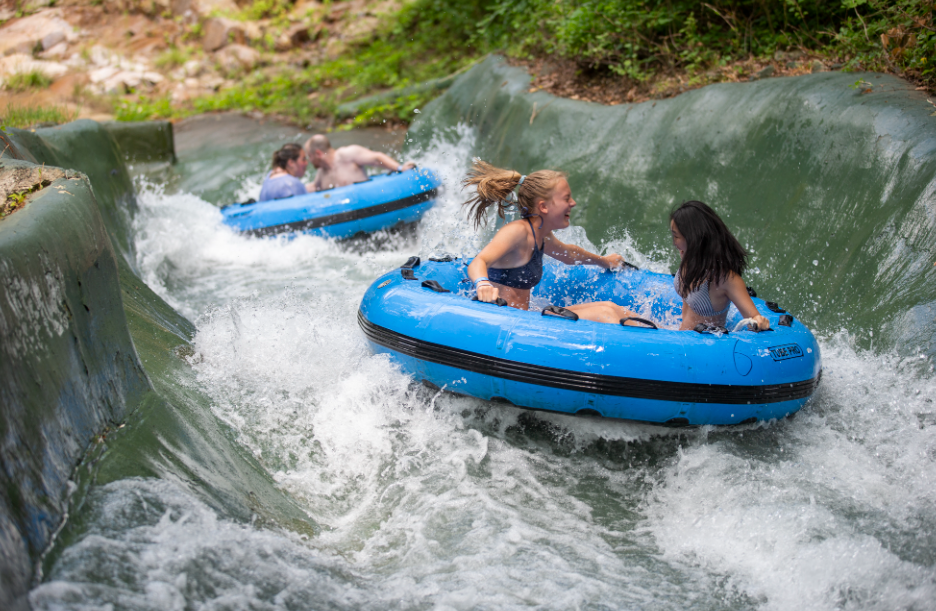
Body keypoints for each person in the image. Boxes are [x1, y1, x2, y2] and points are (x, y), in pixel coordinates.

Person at [463, 160, 641, 325]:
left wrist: (605, 261)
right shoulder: (517, 232)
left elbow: (570, 254)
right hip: (505, 323)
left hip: (525, 318)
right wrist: (482, 283)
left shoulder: (541, 235)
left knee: (610, 307)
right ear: (543, 207)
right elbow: (479, 261)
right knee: (604, 314)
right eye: (566, 198)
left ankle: (665, 338)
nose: (573, 203)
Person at [669, 200, 770, 331]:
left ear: (693, 238)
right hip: (680, 337)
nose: (673, 242)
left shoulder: (726, 279)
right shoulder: (689, 260)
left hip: (702, 348)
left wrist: (760, 321)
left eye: (676, 236)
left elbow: (753, 318)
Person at [304, 134, 416, 191]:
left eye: (310, 155)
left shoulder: (346, 154)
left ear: (318, 153)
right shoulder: (321, 173)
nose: (309, 160)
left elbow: (377, 158)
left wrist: (400, 168)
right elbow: (314, 188)